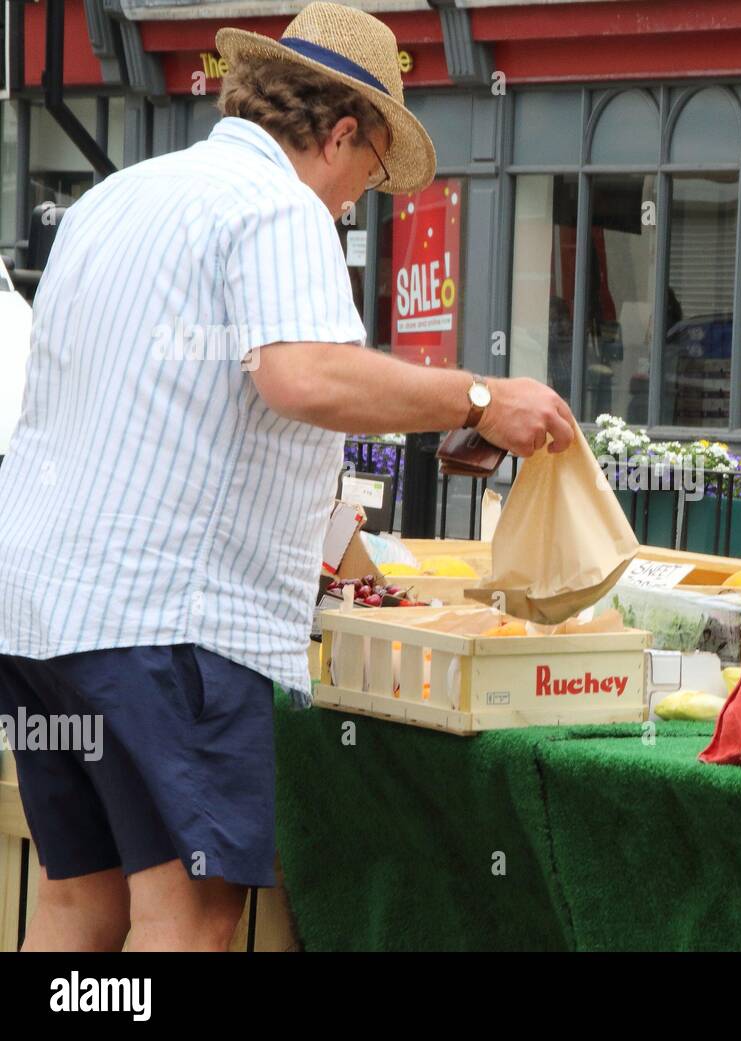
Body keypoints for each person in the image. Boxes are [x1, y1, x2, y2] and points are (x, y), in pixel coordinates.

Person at [0, 2, 574, 952]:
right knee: (186, 914)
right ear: (340, 130)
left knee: (78, 904)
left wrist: (343, 547)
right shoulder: (280, 206)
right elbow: (301, 377)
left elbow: (189, 410)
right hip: (167, 620)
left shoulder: (116, 197)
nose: (361, 196)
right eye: (369, 169)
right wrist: (477, 398)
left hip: (40, 607)